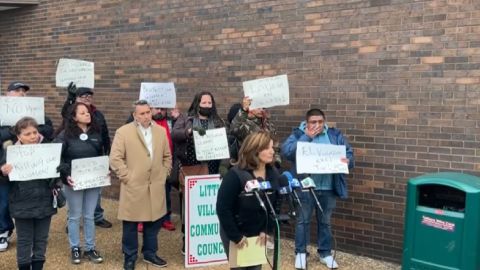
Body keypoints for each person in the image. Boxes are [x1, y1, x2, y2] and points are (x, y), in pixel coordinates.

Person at [281, 108, 354, 269]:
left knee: (325, 222)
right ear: (307, 123)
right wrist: (307, 136)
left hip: (327, 186)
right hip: (305, 187)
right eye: (313, 122)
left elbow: (348, 153)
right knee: (303, 220)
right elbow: (286, 152)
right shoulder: (299, 134)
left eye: (320, 121)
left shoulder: (334, 135)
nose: (317, 125)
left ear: (325, 121)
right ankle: (300, 253)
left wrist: (347, 160)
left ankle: (325, 253)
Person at [110, 100, 172, 270]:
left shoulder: (160, 131)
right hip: (134, 186)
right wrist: (127, 177)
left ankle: (150, 253)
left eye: (148, 112)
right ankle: (130, 256)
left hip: (155, 186)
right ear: (135, 115)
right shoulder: (123, 132)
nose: (146, 116)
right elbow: (115, 158)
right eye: (142, 113)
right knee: (130, 224)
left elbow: (167, 156)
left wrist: (164, 174)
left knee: (154, 223)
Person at [0, 82, 55, 252]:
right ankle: (4, 230)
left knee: (28, 199)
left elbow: (48, 129)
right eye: (17, 90)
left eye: (24, 91)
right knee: (3, 200)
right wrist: (17, 130)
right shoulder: (2, 114)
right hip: (6, 164)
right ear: (8, 94)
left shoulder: (37, 113)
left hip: (32, 165)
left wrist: (28, 130)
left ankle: (30, 235)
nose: (21, 93)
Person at [0, 117, 60, 270]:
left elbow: (55, 178)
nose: (32, 136)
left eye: (34, 132)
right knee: (25, 240)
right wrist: (3, 172)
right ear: (19, 136)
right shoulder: (10, 154)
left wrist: (60, 170)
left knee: (41, 239)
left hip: (44, 201)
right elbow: (5, 182)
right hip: (22, 203)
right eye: (27, 134)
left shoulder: (49, 150)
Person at [216, 131, 280, 270]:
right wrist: (236, 236)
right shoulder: (235, 175)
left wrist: (266, 229)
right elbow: (223, 208)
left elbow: (274, 204)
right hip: (237, 231)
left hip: (258, 233)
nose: (272, 152)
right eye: (267, 148)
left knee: (255, 268)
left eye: (272, 148)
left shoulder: (273, 173)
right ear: (255, 150)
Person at [171, 91, 225, 254]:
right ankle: (186, 240)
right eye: (204, 102)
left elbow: (224, 143)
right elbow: (174, 134)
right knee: (189, 207)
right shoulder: (186, 118)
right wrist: (188, 132)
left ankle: (207, 239)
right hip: (191, 169)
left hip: (213, 169)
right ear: (197, 103)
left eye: (210, 103)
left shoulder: (218, 121)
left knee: (208, 206)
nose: (207, 105)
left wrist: (223, 167)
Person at [55, 102, 105, 265]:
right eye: (82, 113)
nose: (87, 114)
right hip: (74, 181)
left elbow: (101, 154)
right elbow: (57, 158)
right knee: (75, 216)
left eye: (88, 112)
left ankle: (90, 247)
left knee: (89, 215)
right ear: (74, 117)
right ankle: (75, 247)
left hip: (93, 180)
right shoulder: (65, 135)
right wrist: (65, 174)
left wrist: (105, 169)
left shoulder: (97, 133)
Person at [60, 82, 112, 229]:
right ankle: (73, 220)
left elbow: (104, 134)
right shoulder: (71, 111)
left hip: (95, 155)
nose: (87, 98)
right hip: (75, 157)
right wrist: (69, 98)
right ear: (76, 99)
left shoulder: (97, 114)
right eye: (83, 96)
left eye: (89, 96)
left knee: (94, 189)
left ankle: (97, 216)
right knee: (74, 191)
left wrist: (107, 151)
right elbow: (65, 113)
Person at [125, 107, 181, 232]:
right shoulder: (140, 123)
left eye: (162, 109)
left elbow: (177, 136)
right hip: (144, 165)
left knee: (165, 193)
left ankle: (165, 219)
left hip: (164, 165)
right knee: (143, 194)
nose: (160, 111)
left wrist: (177, 119)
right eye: (156, 109)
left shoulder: (171, 121)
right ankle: (141, 219)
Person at [229, 97, 280, 165]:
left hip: (267, 165)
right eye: (258, 107)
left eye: (263, 108)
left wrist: (276, 161)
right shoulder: (245, 123)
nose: (261, 110)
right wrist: (243, 110)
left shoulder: (268, 125)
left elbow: (275, 145)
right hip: (248, 165)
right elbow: (233, 129)